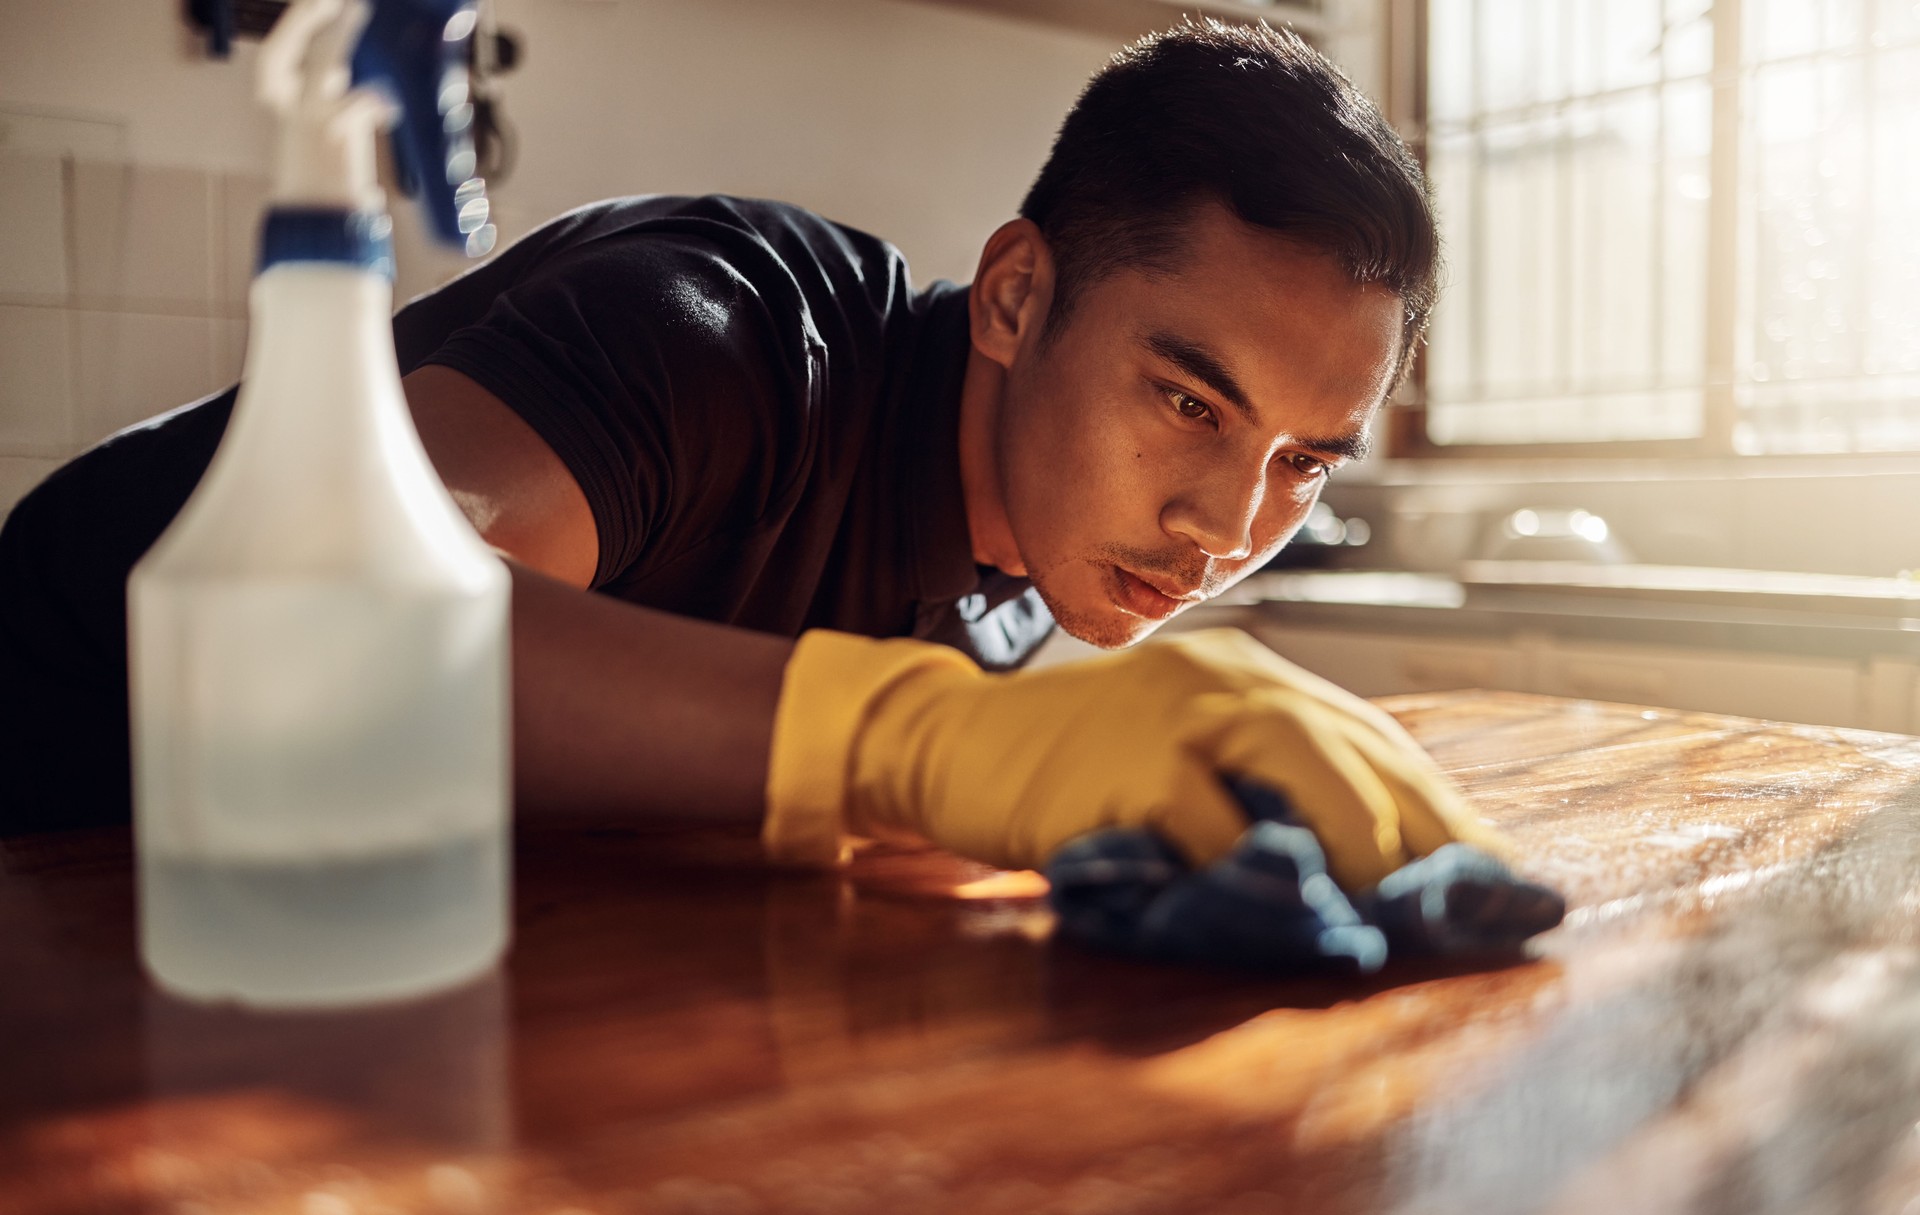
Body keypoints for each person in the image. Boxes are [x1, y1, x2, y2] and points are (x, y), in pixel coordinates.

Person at [0, 19, 1505, 890]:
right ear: (1016, 294)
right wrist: (916, 742)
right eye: (1189, 402)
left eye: (1304, 462)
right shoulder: (729, 332)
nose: (1222, 527)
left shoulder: (1028, 562)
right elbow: (332, 622)